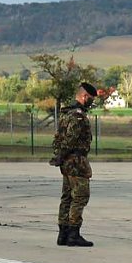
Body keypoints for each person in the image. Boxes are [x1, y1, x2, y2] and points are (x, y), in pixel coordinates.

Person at [52, 82, 97, 247]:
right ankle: (73, 234)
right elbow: (70, 139)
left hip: (67, 162)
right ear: (84, 96)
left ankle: (63, 233)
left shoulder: (66, 113)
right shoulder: (78, 116)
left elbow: (58, 138)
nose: (91, 102)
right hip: (76, 161)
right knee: (80, 197)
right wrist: (62, 155)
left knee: (67, 197)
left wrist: (59, 156)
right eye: (91, 99)